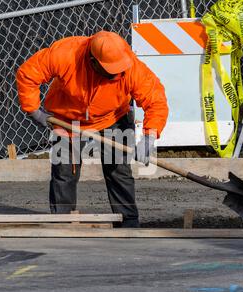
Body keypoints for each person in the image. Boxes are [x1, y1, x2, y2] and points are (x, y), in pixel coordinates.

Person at [16, 30, 168, 228]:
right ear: (93, 61)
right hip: (68, 121)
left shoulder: (130, 66)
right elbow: (28, 73)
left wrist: (149, 136)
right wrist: (35, 111)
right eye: (111, 71)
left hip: (112, 118)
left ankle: (128, 223)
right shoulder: (66, 53)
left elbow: (155, 99)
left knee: (118, 171)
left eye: (120, 70)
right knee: (64, 171)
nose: (118, 75)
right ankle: (62, 222)